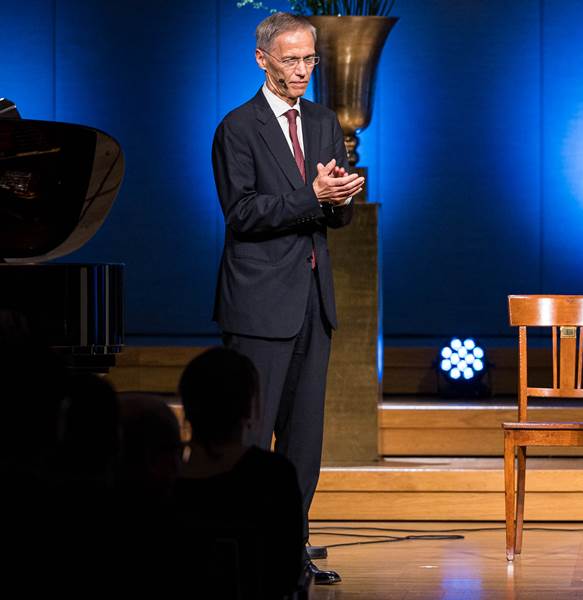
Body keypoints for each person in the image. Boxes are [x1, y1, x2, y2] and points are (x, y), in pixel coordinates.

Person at [210, 11, 361, 584]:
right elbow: (242, 213)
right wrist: (312, 196)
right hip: (258, 302)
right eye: (292, 60)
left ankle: (290, 549)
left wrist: (341, 198)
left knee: (304, 439)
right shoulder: (238, 127)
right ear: (263, 59)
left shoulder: (323, 121)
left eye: (310, 60)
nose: (303, 71)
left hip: (312, 301)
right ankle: (244, 550)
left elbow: (330, 215)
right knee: (252, 435)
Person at [174, 347, 307, 597]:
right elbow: (285, 575)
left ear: (188, 410)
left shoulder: (161, 483)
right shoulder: (274, 477)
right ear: (250, 410)